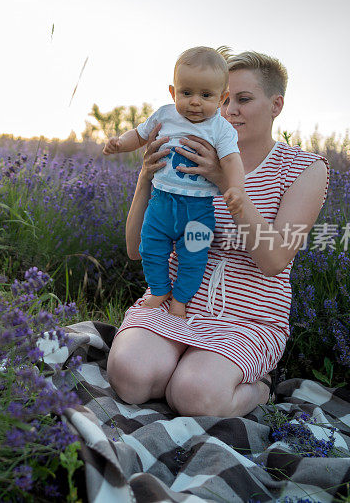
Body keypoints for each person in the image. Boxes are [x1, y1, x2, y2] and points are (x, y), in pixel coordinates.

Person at [106, 50, 330, 417]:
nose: (230, 110)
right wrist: (146, 179)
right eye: (226, 99)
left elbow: (273, 260)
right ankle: (180, 369)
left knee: (196, 396)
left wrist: (224, 179)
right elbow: (135, 249)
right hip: (173, 303)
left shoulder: (302, 168)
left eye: (244, 100)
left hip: (247, 318)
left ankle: (258, 388)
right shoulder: (184, 149)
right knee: (129, 378)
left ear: (276, 105)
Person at [103, 46, 245, 319]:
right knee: (150, 247)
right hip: (161, 202)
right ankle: (159, 290)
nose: (194, 102)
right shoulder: (165, 115)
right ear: (173, 92)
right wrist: (120, 144)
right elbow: (140, 135)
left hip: (198, 209)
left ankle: (180, 299)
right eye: (186, 93)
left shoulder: (221, 129)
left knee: (194, 257)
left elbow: (231, 161)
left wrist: (236, 188)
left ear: (222, 98)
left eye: (206, 96)